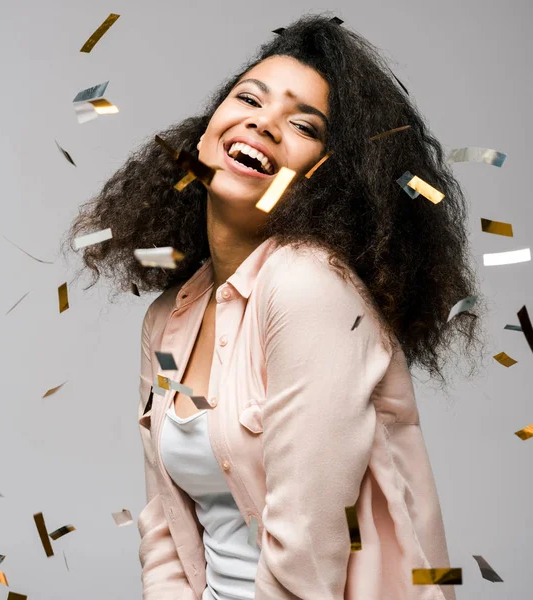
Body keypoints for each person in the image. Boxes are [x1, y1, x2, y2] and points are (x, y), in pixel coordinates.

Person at [65, 13, 487, 600]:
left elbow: (309, 556)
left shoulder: (310, 288)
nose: (263, 123)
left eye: (303, 125)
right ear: (207, 128)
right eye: (248, 98)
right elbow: (162, 526)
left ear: (324, 176)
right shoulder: (167, 318)